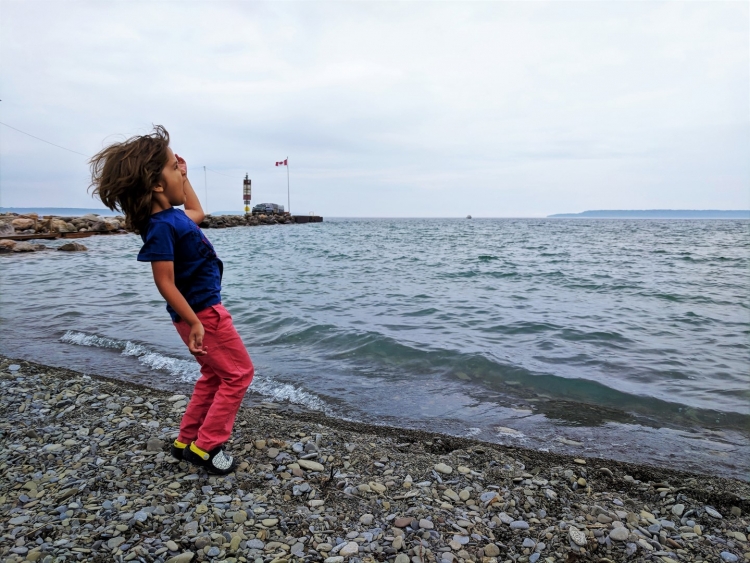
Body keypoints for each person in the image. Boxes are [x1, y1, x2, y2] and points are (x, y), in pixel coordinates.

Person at [89, 125, 254, 474]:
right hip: (203, 314)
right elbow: (164, 282)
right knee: (239, 375)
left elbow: (198, 212)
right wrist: (194, 321)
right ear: (157, 185)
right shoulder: (162, 227)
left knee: (213, 375)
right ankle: (207, 448)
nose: (179, 169)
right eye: (172, 167)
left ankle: (186, 440)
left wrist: (185, 175)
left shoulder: (174, 218)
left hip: (199, 314)